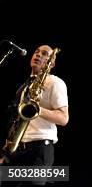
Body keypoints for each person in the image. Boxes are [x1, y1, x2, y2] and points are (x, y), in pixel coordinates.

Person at [1, 45, 69, 185]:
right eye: (36, 52)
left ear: (52, 63)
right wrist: (5, 152)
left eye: (44, 54)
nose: (38, 55)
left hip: (39, 150)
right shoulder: (25, 86)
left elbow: (63, 118)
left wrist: (36, 109)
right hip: (17, 149)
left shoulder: (55, 82)